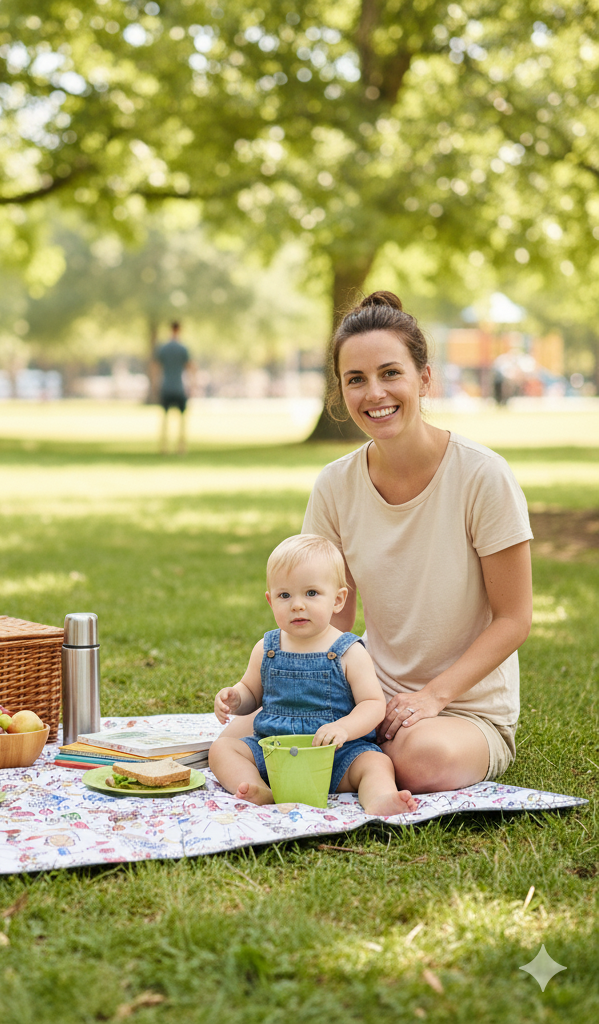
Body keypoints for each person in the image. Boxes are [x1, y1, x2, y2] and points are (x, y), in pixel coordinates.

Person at [214, 291, 533, 793]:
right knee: (236, 739)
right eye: (355, 379)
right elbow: (328, 611)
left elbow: (515, 618)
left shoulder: (483, 476)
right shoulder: (335, 484)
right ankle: (358, 757)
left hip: (461, 708)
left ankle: (368, 759)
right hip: (361, 696)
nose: (374, 393)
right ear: (340, 392)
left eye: (390, 373)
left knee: (421, 760)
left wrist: (430, 698)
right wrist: (294, 698)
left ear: (424, 378)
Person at [210, 535, 419, 815]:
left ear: (338, 599)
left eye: (311, 593)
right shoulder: (267, 648)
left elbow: (373, 704)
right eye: (285, 595)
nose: (297, 605)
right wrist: (236, 698)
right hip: (275, 754)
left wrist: (344, 728)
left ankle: (379, 798)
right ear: (271, 601)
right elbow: (252, 692)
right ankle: (259, 787)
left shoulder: (348, 652)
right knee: (222, 749)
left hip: (336, 756)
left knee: (375, 763)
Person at [153, 321, 194, 454]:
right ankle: (181, 447)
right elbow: (190, 367)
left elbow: (156, 367)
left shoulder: (163, 348)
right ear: (179, 330)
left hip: (166, 387)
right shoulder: (183, 349)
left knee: (165, 418)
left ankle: (163, 447)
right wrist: (193, 385)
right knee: (182, 419)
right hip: (179, 387)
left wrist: (155, 384)